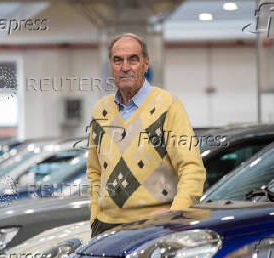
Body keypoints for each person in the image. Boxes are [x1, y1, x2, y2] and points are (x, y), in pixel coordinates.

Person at [87, 33, 206, 237]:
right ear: (111, 66)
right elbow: (94, 171)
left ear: (145, 64)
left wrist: (175, 214)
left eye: (133, 59)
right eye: (118, 60)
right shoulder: (101, 111)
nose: (125, 67)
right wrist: (95, 215)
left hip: (154, 226)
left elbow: (191, 168)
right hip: (105, 227)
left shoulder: (167, 106)